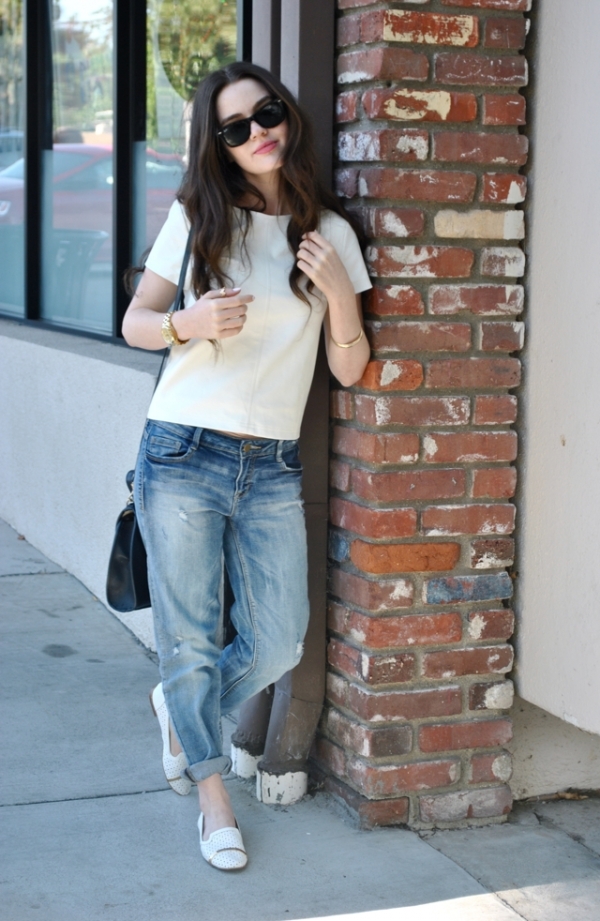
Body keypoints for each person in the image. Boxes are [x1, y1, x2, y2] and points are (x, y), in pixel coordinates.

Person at [122, 61, 371, 871]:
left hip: (270, 464)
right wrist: (186, 323)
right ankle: (212, 796)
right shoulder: (199, 216)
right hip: (182, 447)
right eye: (235, 127)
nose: (258, 132)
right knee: (189, 637)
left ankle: (178, 705)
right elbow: (136, 322)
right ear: (220, 146)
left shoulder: (327, 235)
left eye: (266, 113)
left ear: (285, 115)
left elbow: (348, 369)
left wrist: (338, 293)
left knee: (276, 639)